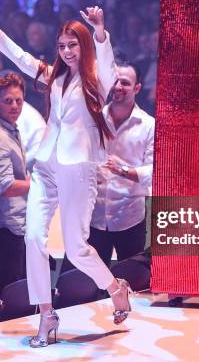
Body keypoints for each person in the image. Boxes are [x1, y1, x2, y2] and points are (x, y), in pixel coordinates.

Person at [0, 0, 132, 347]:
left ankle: (116, 287)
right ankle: (46, 314)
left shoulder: (98, 81)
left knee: (76, 249)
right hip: (46, 167)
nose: (67, 51)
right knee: (33, 238)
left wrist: (100, 31)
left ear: (83, 45)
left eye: (73, 44)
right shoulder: (54, 77)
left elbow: (105, 62)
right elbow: (20, 57)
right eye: (62, 46)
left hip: (78, 170)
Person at [64, 62, 154, 270]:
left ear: (137, 88)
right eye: (115, 81)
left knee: (133, 283)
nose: (118, 87)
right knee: (89, 284)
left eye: (125, 83)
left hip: (129, 217)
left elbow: (155, 170)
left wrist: (124, 171)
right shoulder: (93, 118)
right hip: (94, 216)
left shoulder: (148, 125)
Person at [0, 73, 30, 299]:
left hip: (13, 224)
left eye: (18, 101)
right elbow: (6, 186)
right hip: (4, 227)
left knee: (14, 295)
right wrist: (39, 185)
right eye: (8, 101)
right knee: (8, 297)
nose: (14, 106)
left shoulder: (10, 129)